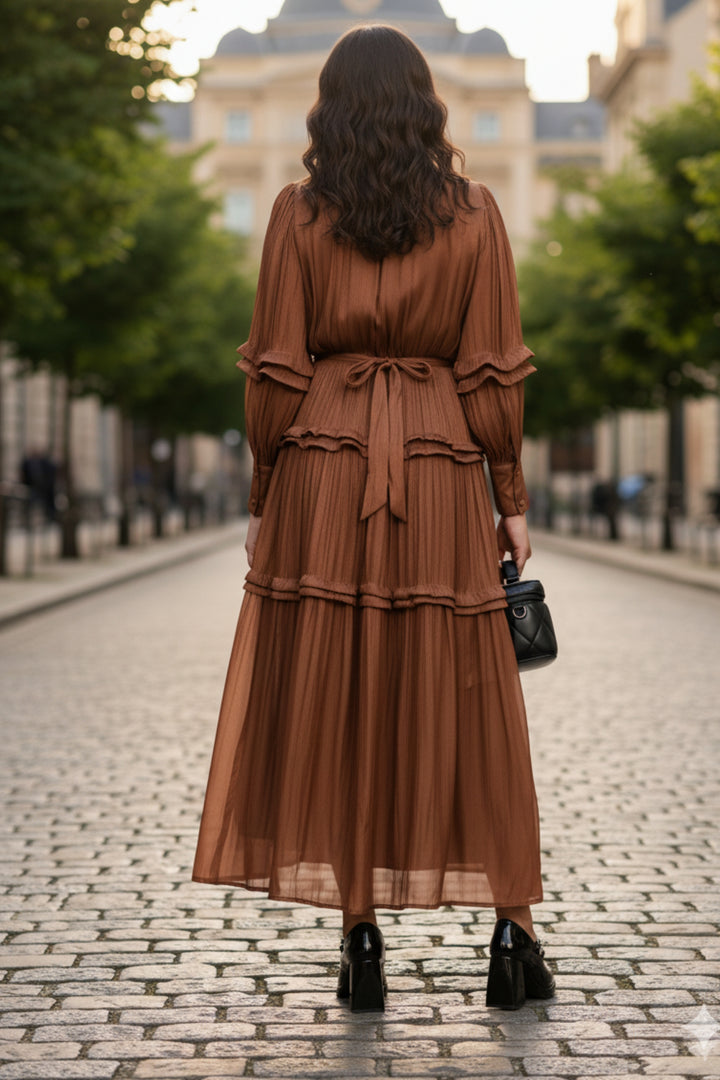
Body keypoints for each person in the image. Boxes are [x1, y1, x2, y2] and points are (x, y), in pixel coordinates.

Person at [192, 24, 554, 1013]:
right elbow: (491, 368)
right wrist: (509, 498)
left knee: (342, 691)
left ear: (327, 108)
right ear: (429, 104)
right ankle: (513, 936)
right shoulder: (475, 213)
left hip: (323, 468)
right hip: (437, 466)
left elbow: (275, 364)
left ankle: (359, 941)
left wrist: (266, 496)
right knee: (475, 689)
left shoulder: (297, 212)